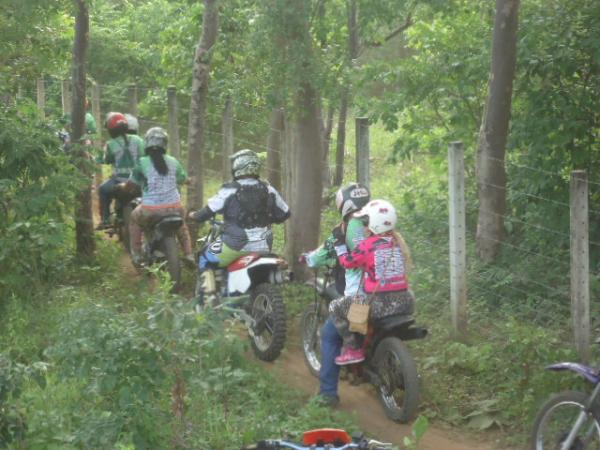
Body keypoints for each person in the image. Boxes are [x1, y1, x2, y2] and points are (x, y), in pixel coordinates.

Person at [188, 149, 290, 303]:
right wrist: (268, 217)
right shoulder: (268, 189)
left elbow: (206, 213)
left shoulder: (230, 189)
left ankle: (207, 302)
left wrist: (193, 216)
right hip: (264, 245)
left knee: (205, 258)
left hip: (236, 244)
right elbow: (285, 213)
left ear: (237, 167)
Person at [300, 183, 370, 407]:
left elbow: (320, 255)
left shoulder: (342, 232)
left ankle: (328, 393)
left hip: (359, 301)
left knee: (330, 334)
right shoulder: (378, 225)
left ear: (342, 204)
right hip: (389, 294)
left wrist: (308, 258)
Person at [331, 199, 415, 366]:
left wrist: (339, 245)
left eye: (366, 221)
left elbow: (347, 262)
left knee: (337, 306)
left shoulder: (367, 245)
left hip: (379, 304)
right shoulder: (399, 243)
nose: (364, 225)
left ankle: (353, 348)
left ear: (374, 224)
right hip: (406, 301)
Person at [128, 127, 194, 266]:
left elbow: (132, 183)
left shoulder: (141, 162)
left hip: (151, 210)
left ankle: (137, 254)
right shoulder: (173, 161)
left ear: (147, 143)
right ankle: (189, 254)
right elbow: (183, 179)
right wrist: (188, 181)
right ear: (165, 144)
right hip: (176, 208)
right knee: (182, 226)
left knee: (134, 219)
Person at [97, 112, 145, 228]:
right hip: (138, 182)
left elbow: (107, 159)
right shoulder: (138, 140)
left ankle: (106, 219)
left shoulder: (110, 144)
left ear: (110, 130)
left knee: (102, 190)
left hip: (119, 182)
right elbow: (144, 157)